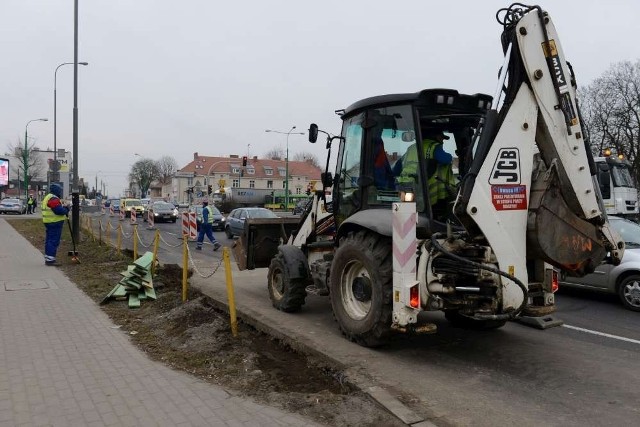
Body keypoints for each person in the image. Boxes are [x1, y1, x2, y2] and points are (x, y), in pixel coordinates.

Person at [395, 129, 457, 218]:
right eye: (442, 138)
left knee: (404, 219)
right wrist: (450, 156)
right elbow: (445, 159)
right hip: (421, 189)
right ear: (436, 137)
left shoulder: (412, 148)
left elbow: (396, 169)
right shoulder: (434, 146)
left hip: (403, 185)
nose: (442, 141)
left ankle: (404, 229)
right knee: (423, 216)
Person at [42, 183, 70, 266]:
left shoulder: (48, 197)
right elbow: (58, 211)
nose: (60, 191)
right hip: (54, 222)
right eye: (60, 190)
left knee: (49, 240)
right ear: (57, 190)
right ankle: (50, 260)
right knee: (53, 241)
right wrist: (66, 209)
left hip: (49, 222)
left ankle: (48, 258)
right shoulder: (53, 198)